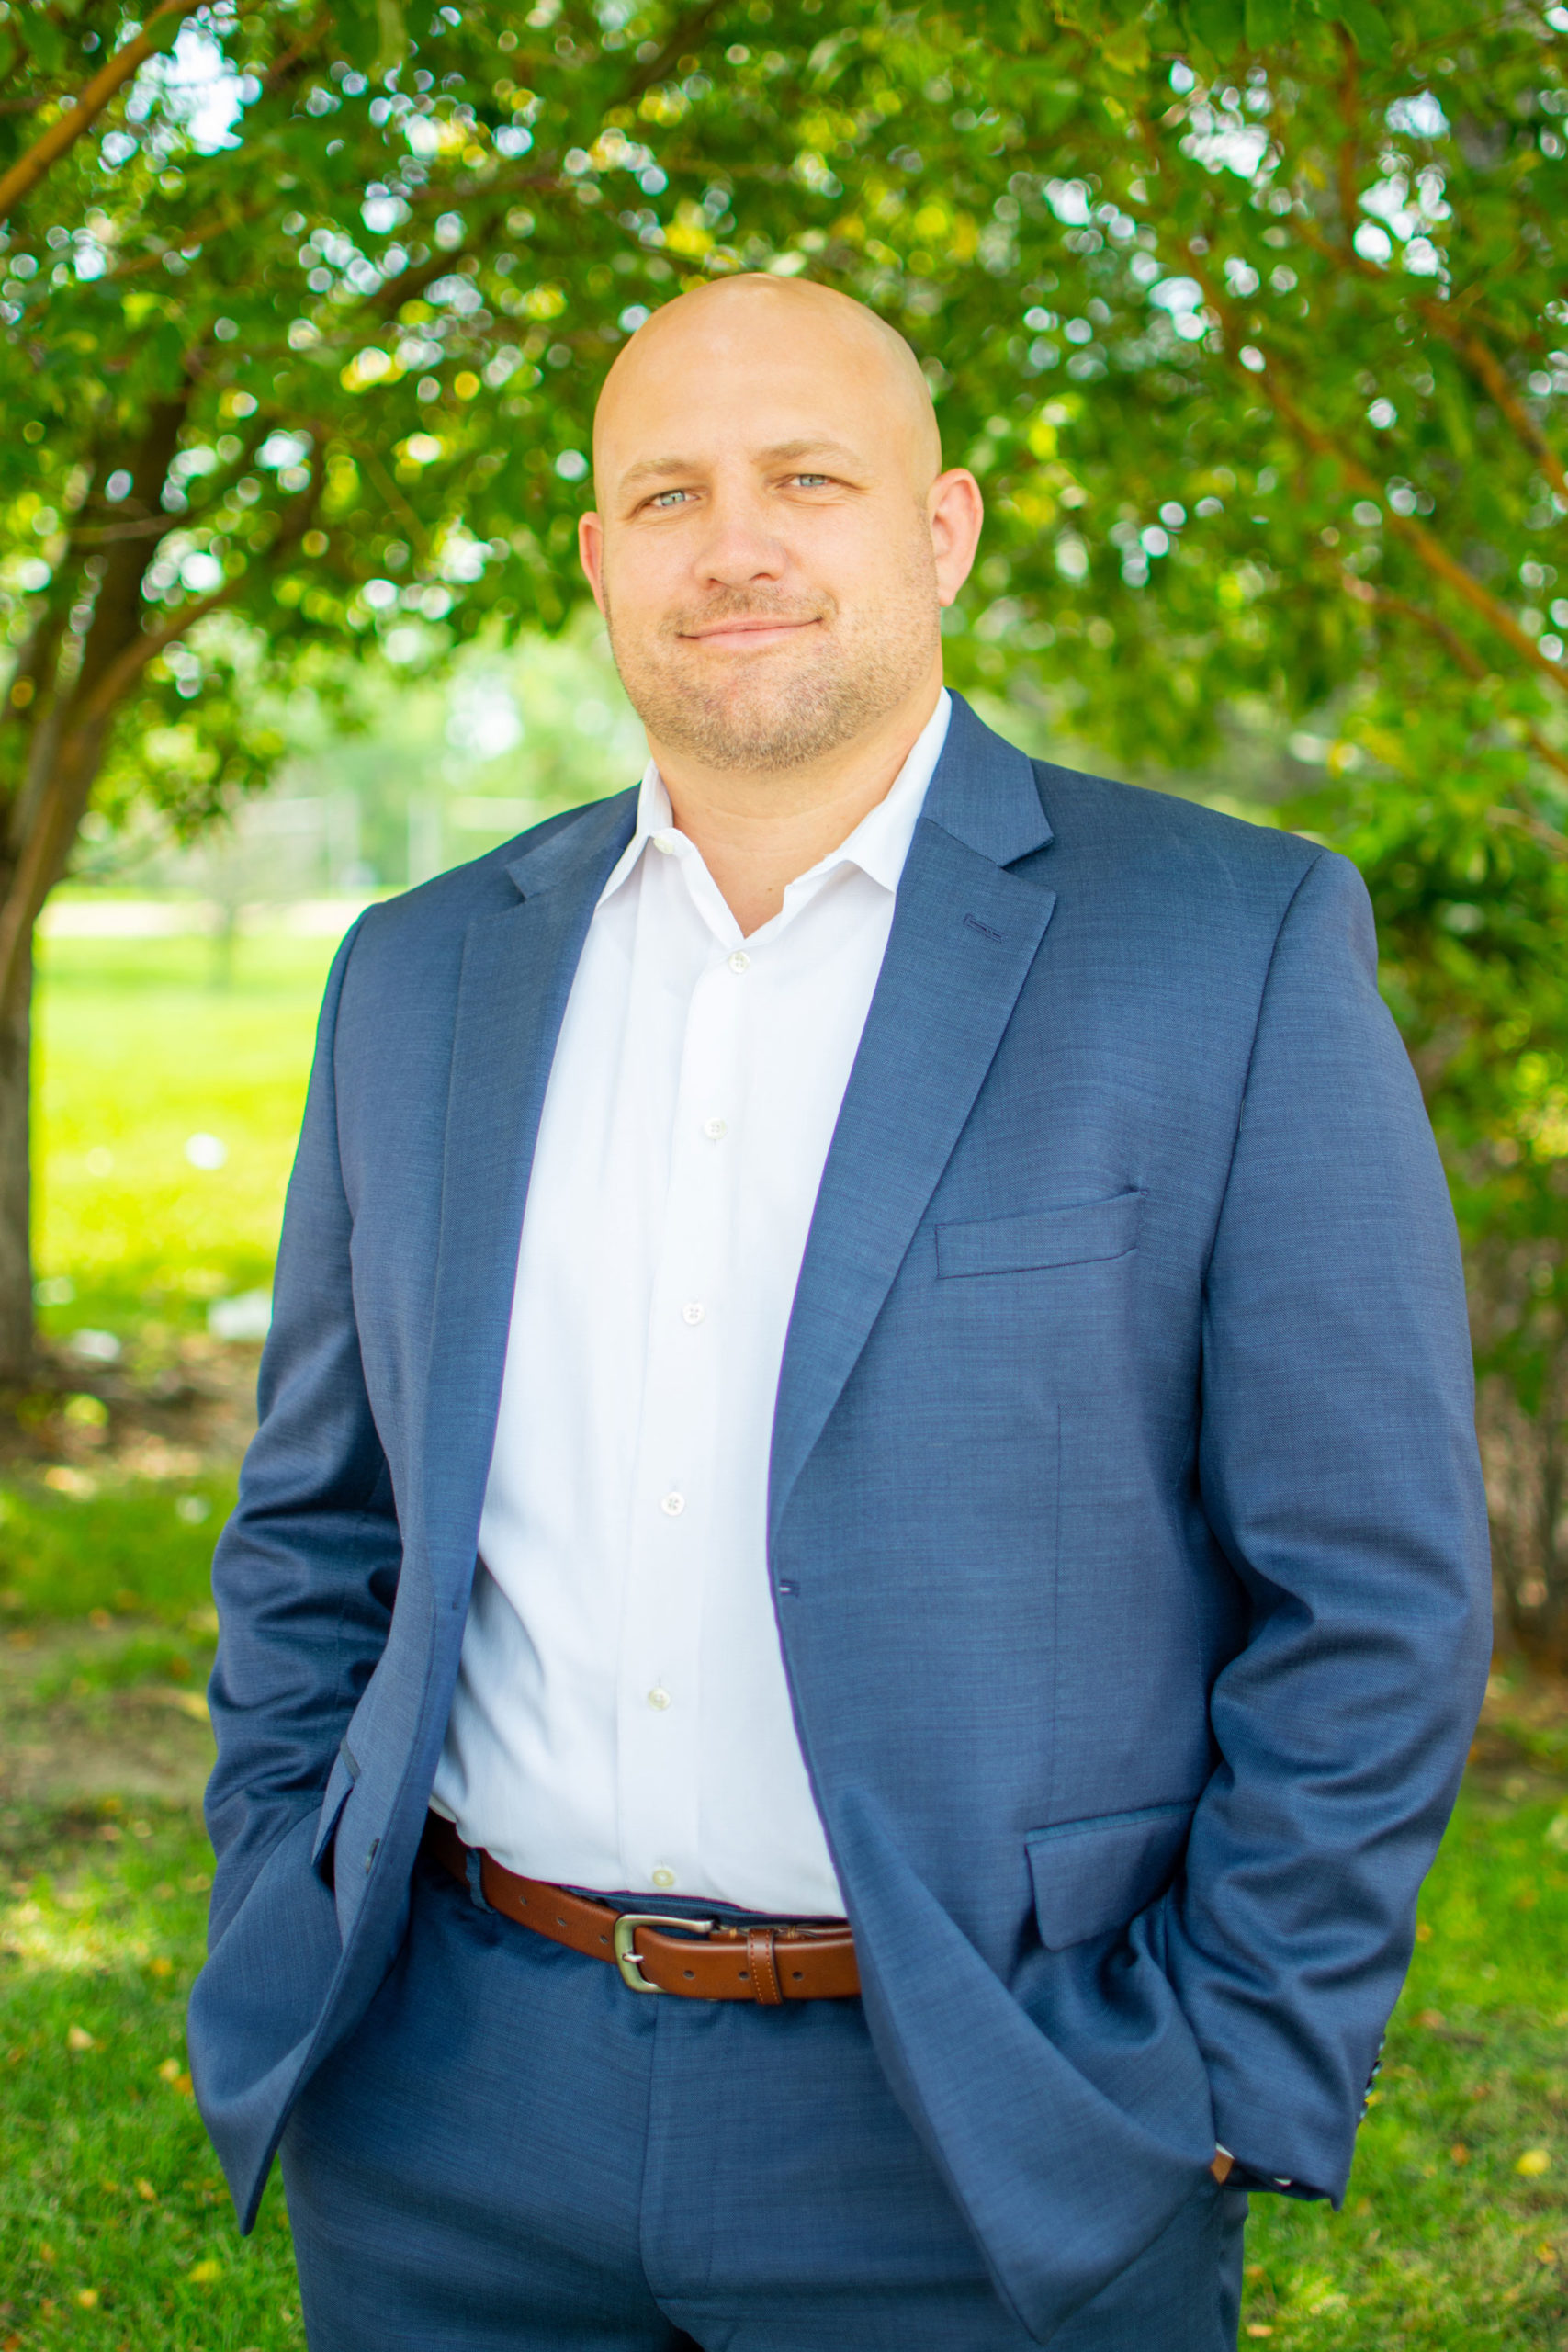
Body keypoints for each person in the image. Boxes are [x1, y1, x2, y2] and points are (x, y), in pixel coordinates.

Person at [190, 275, 1491, 2352]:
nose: (738, 543)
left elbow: (1373, 1583)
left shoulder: (1223, 942)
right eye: (669, 490)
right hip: (448, 2105)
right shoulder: (420, 973)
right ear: (600, 557)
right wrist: (282, 1882)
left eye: (808, 476)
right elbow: (318, 1526)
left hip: (986, 2121)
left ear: (942, 527)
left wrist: (1229, 2056)